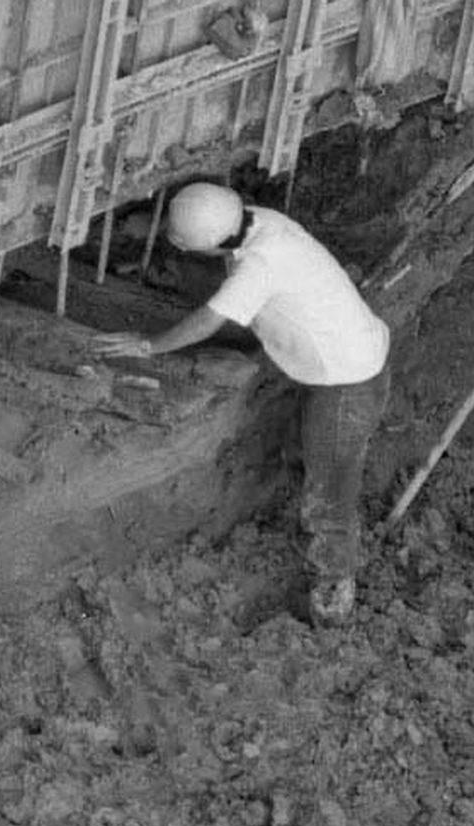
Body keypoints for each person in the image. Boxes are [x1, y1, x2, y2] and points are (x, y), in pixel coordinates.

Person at [92, 182, 391, 624]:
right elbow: (209, 226)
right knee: (312, 453)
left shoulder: (260, 264)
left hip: (346, 380)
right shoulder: (260, 221)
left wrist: (150, 346)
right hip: (347, 354)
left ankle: (334, 584)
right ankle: (310, 525)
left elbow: (211, 319)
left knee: (330, 489)